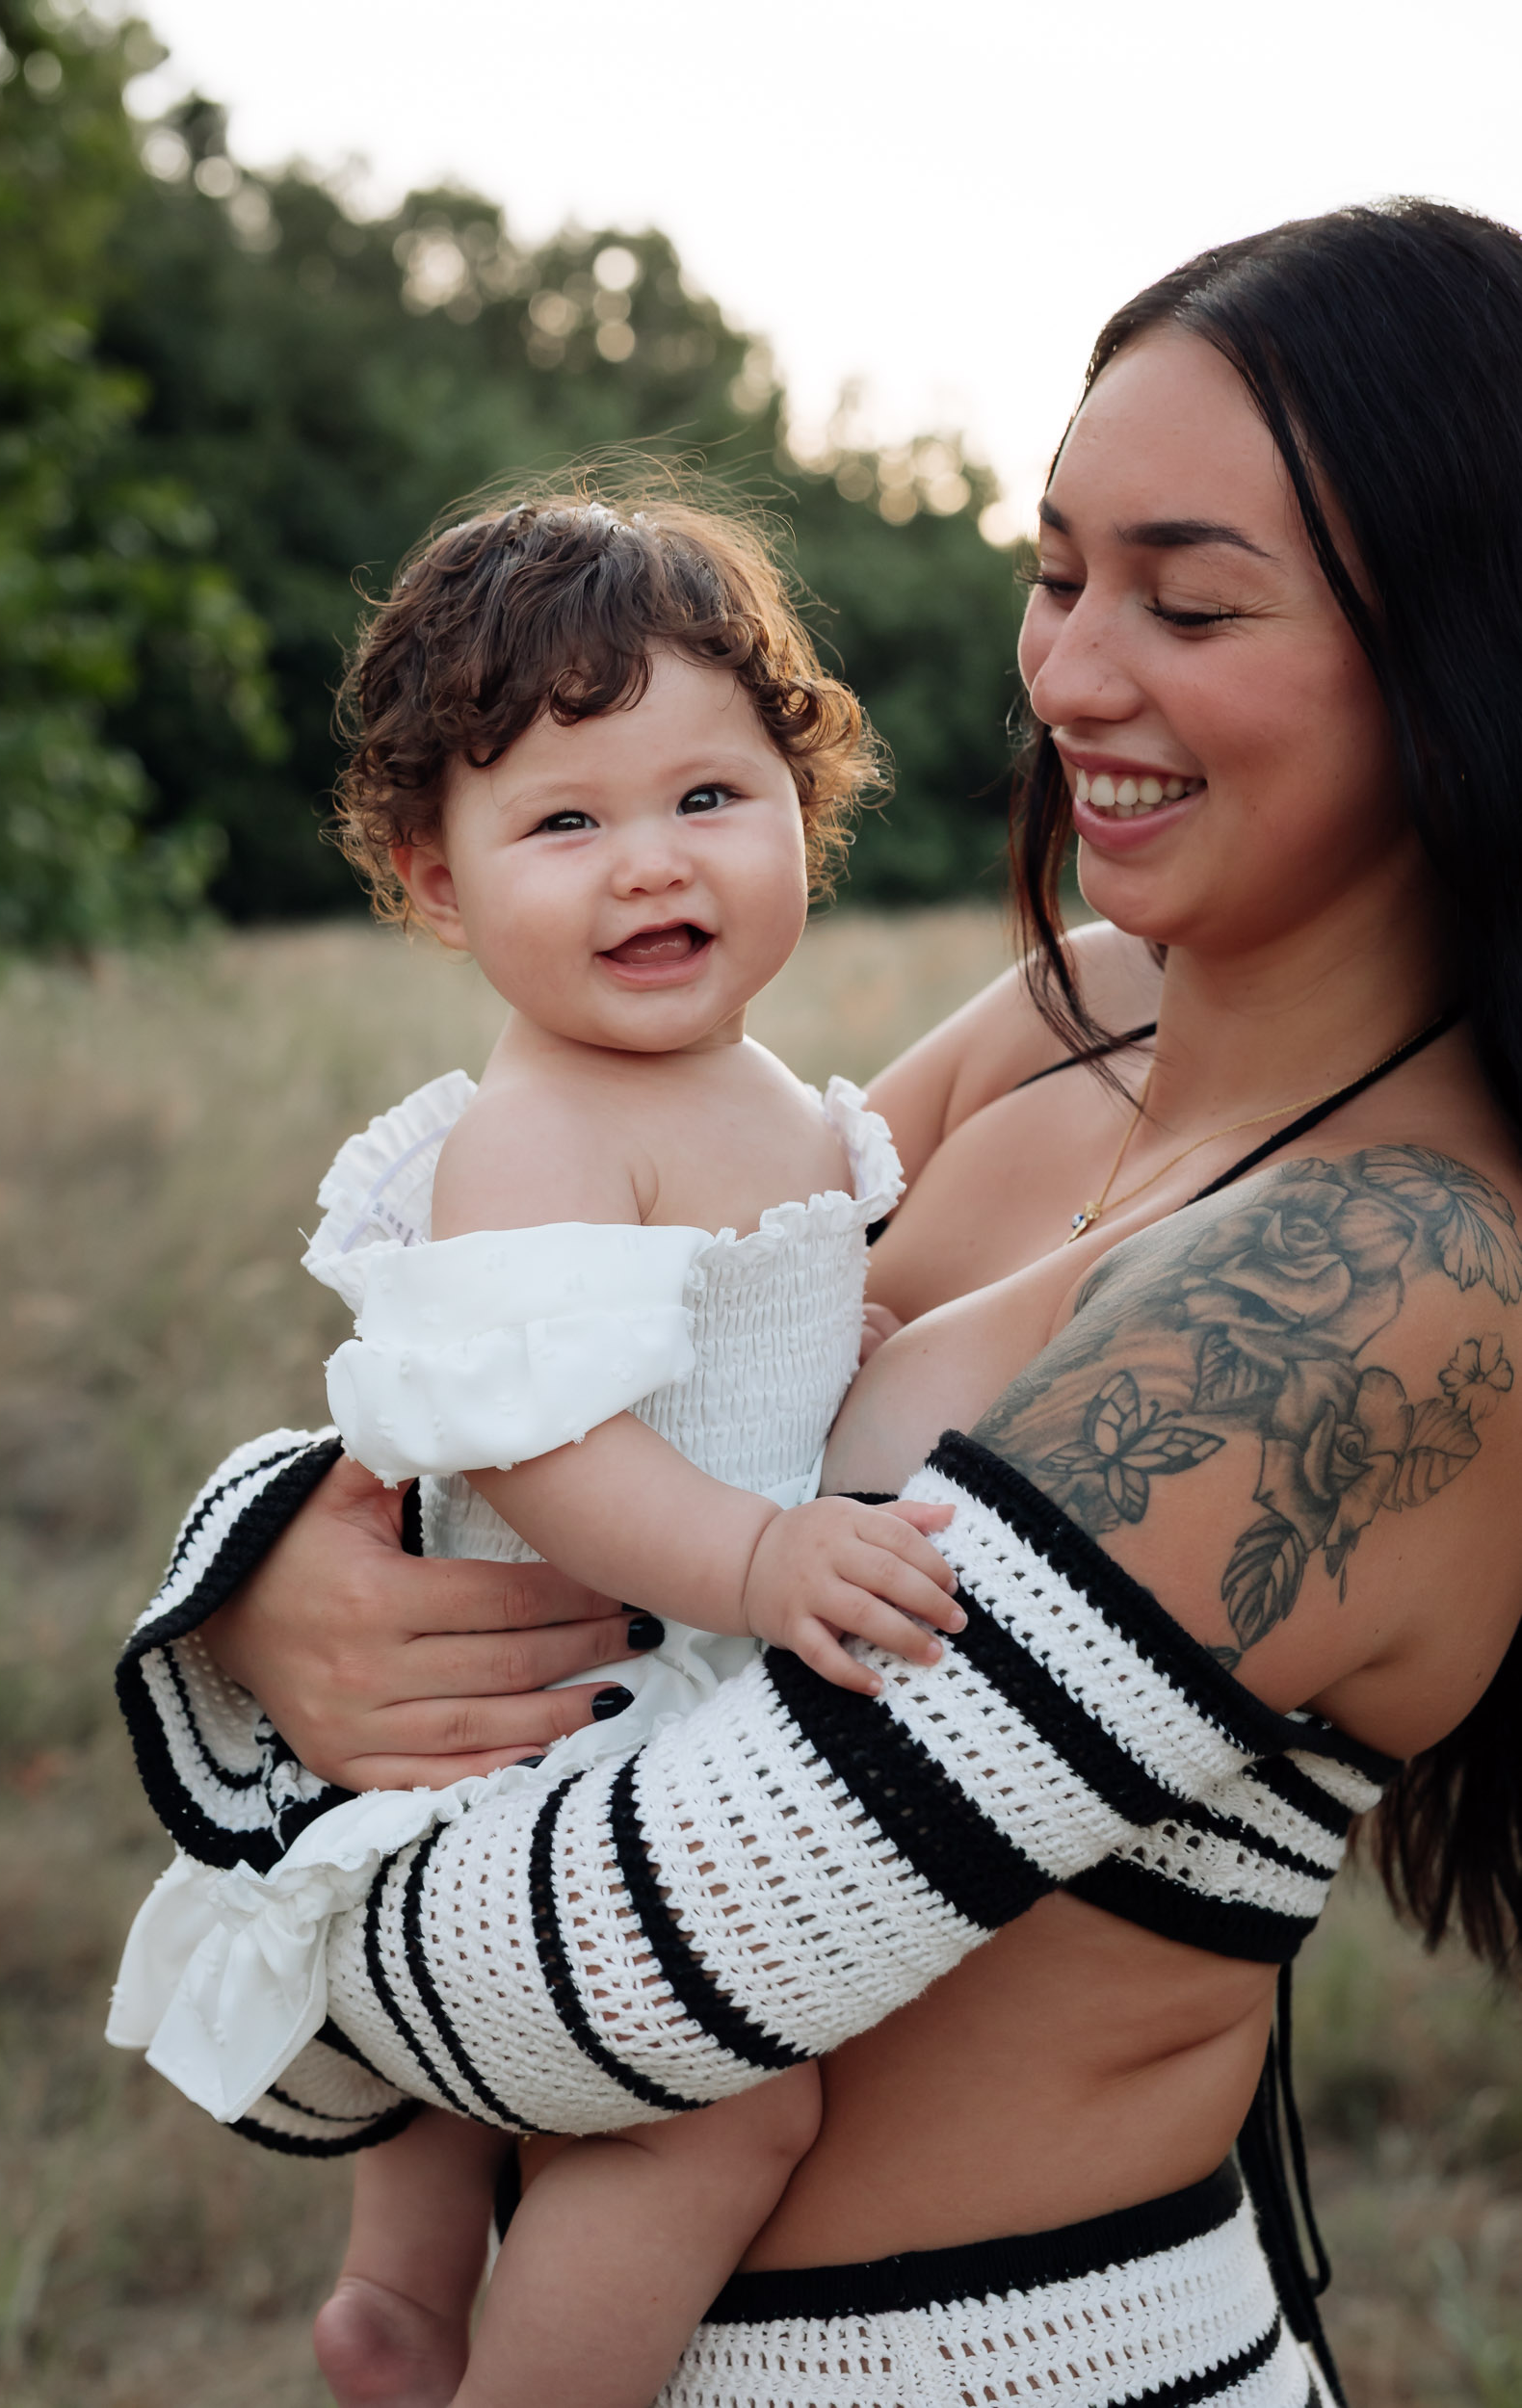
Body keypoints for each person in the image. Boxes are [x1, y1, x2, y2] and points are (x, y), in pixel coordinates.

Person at [112, 198, 1522, 2408]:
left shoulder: (1397, 1276)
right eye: (1055, 574)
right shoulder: (1080, 1024)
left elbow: (624, 1979)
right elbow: (609, 1333)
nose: (1064, 673)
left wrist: (249, 1773)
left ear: (1463, 650)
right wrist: (284, 1570)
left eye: (1191, 597)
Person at [110, 491, 968, 2408]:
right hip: (595, 1690)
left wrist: (854, 1344)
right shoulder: (543, 1129)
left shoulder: (765, 1102)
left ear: (800, 807)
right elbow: (548, 1446)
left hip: (637, 1697)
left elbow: (736, 1340)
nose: (645, 864)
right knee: (722, 2113)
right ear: (436, 880)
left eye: (707, 798)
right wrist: (758, 1562)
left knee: (557, 2066)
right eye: (564, 822)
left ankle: (402, 2299)